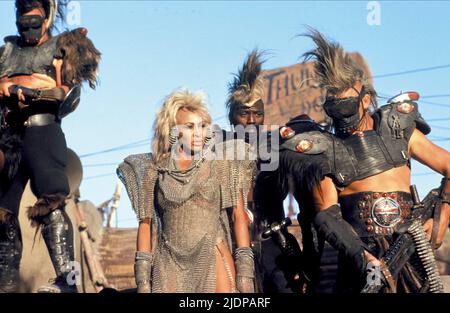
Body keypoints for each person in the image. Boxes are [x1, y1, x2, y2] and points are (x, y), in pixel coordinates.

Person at [278, 29, 450, 293]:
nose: (342, 117)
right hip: (360, 257)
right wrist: (361, 257)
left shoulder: (397, 128)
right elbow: (326, 214)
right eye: (334, 109)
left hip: (411, 249)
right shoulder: (325, 149)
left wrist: (441, 216)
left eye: (347, 107)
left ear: (365, 100)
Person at [0, 0, 100, 293]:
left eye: (35, 23)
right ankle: (7, 285)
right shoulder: (6, 51)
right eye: (23, 23)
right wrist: (12, 88)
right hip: (9, 137)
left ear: (45, 20)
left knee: (51, 202)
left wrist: (26, 87)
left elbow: (65, 94)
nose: (29, 29)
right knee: (3, 212)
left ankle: (67, 282)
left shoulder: (62, 47)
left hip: (43, 132)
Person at [117, 89, 256, 293]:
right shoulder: (151, 169)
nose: (199, 133)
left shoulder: (223, 163)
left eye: (203, 126)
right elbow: (145, 225)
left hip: (212, 254)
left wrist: (245, 273)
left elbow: (238, 216)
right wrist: (143, 280)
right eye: (190, 126)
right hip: (168, 262)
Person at [225, 50, 305, 293]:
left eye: (257, 114)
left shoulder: (276, 145)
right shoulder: (218, 150)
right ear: (232, 116)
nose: (251, 120)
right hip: (231, 241)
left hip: (273, 240)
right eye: (244, 113)